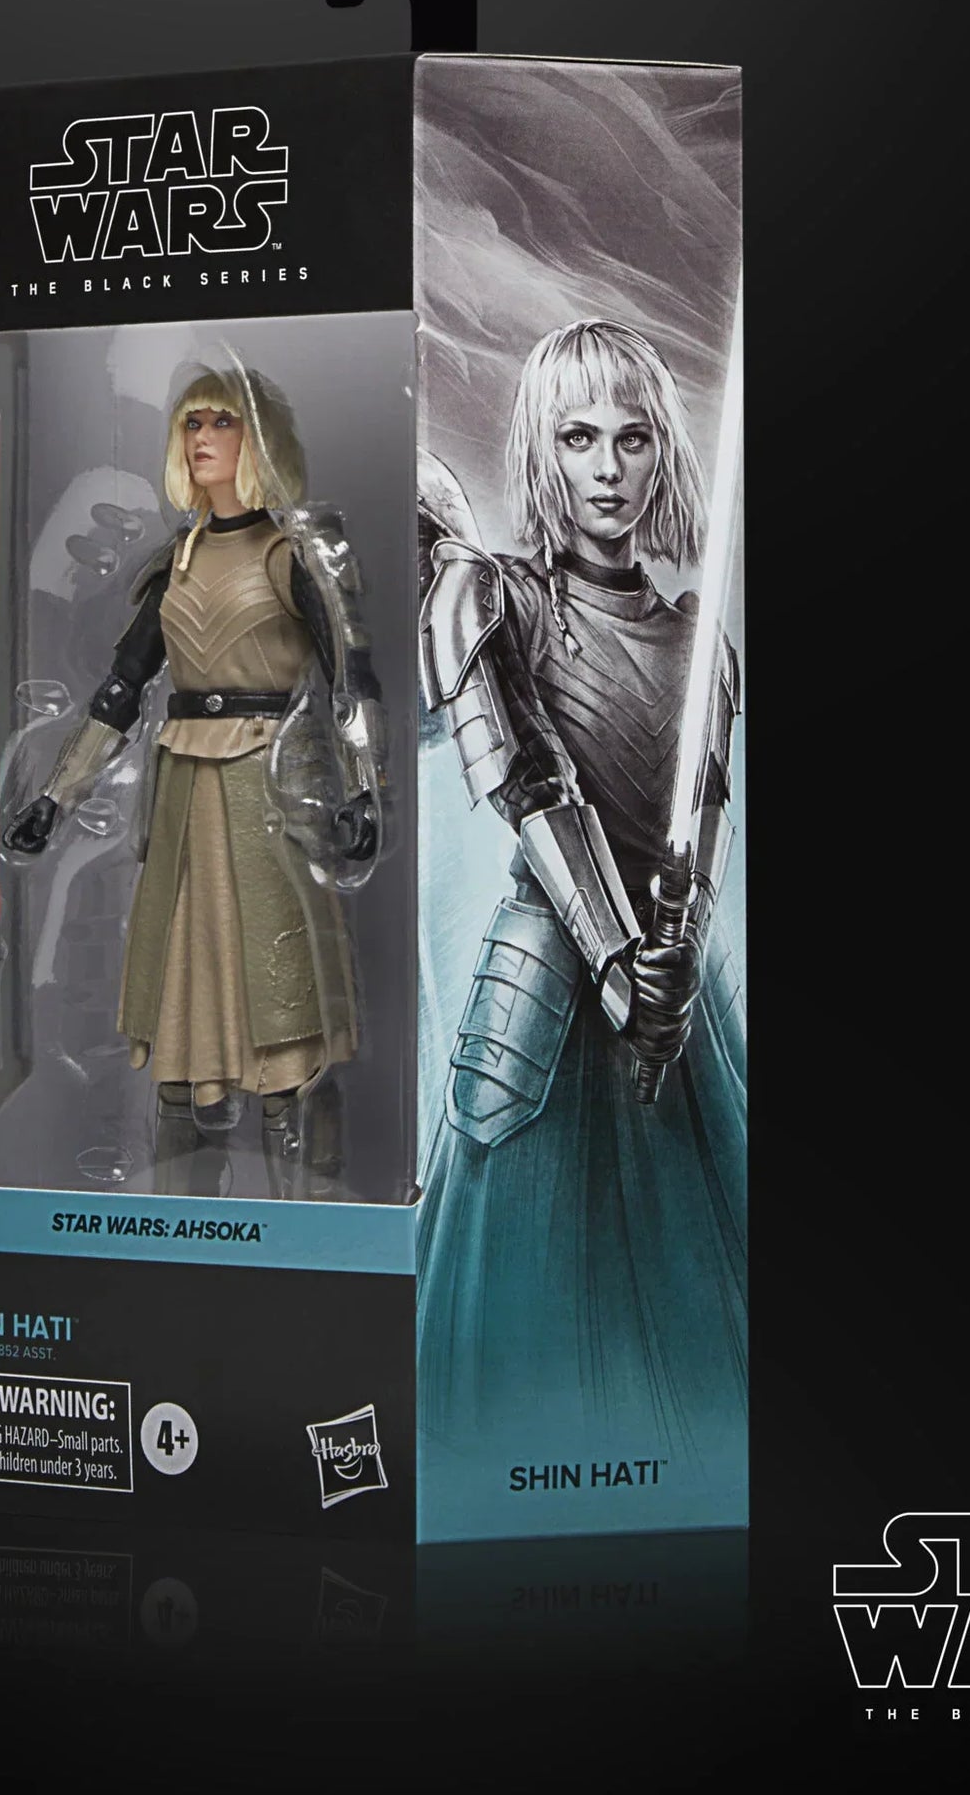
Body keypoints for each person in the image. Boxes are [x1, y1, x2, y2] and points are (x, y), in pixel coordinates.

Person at [416, 319, 746, 1482]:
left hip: (669, 994)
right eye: (577, 437)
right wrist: (615, 963)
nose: (606, 467)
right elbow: (530, 787)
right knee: (507, 1342)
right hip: (546, 995)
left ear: (662, 452)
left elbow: (700, 809)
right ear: (539, 450)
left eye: (631, 436)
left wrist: (673, 956)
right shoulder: (490, 597)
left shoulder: (700, 638)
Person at [7, 366, 382, 1200]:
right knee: (181, 1012)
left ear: (260, 437)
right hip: (183, 797)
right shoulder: (173, 563)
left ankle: (306, 1216)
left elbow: (351, 682)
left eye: (222, 421)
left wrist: (363, 793)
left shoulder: (293, 556)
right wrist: (55, 800)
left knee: (283, 1013)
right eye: (191, 423)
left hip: (271, 793)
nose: (203, 437)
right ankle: (183, 1210)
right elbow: (120, 692)